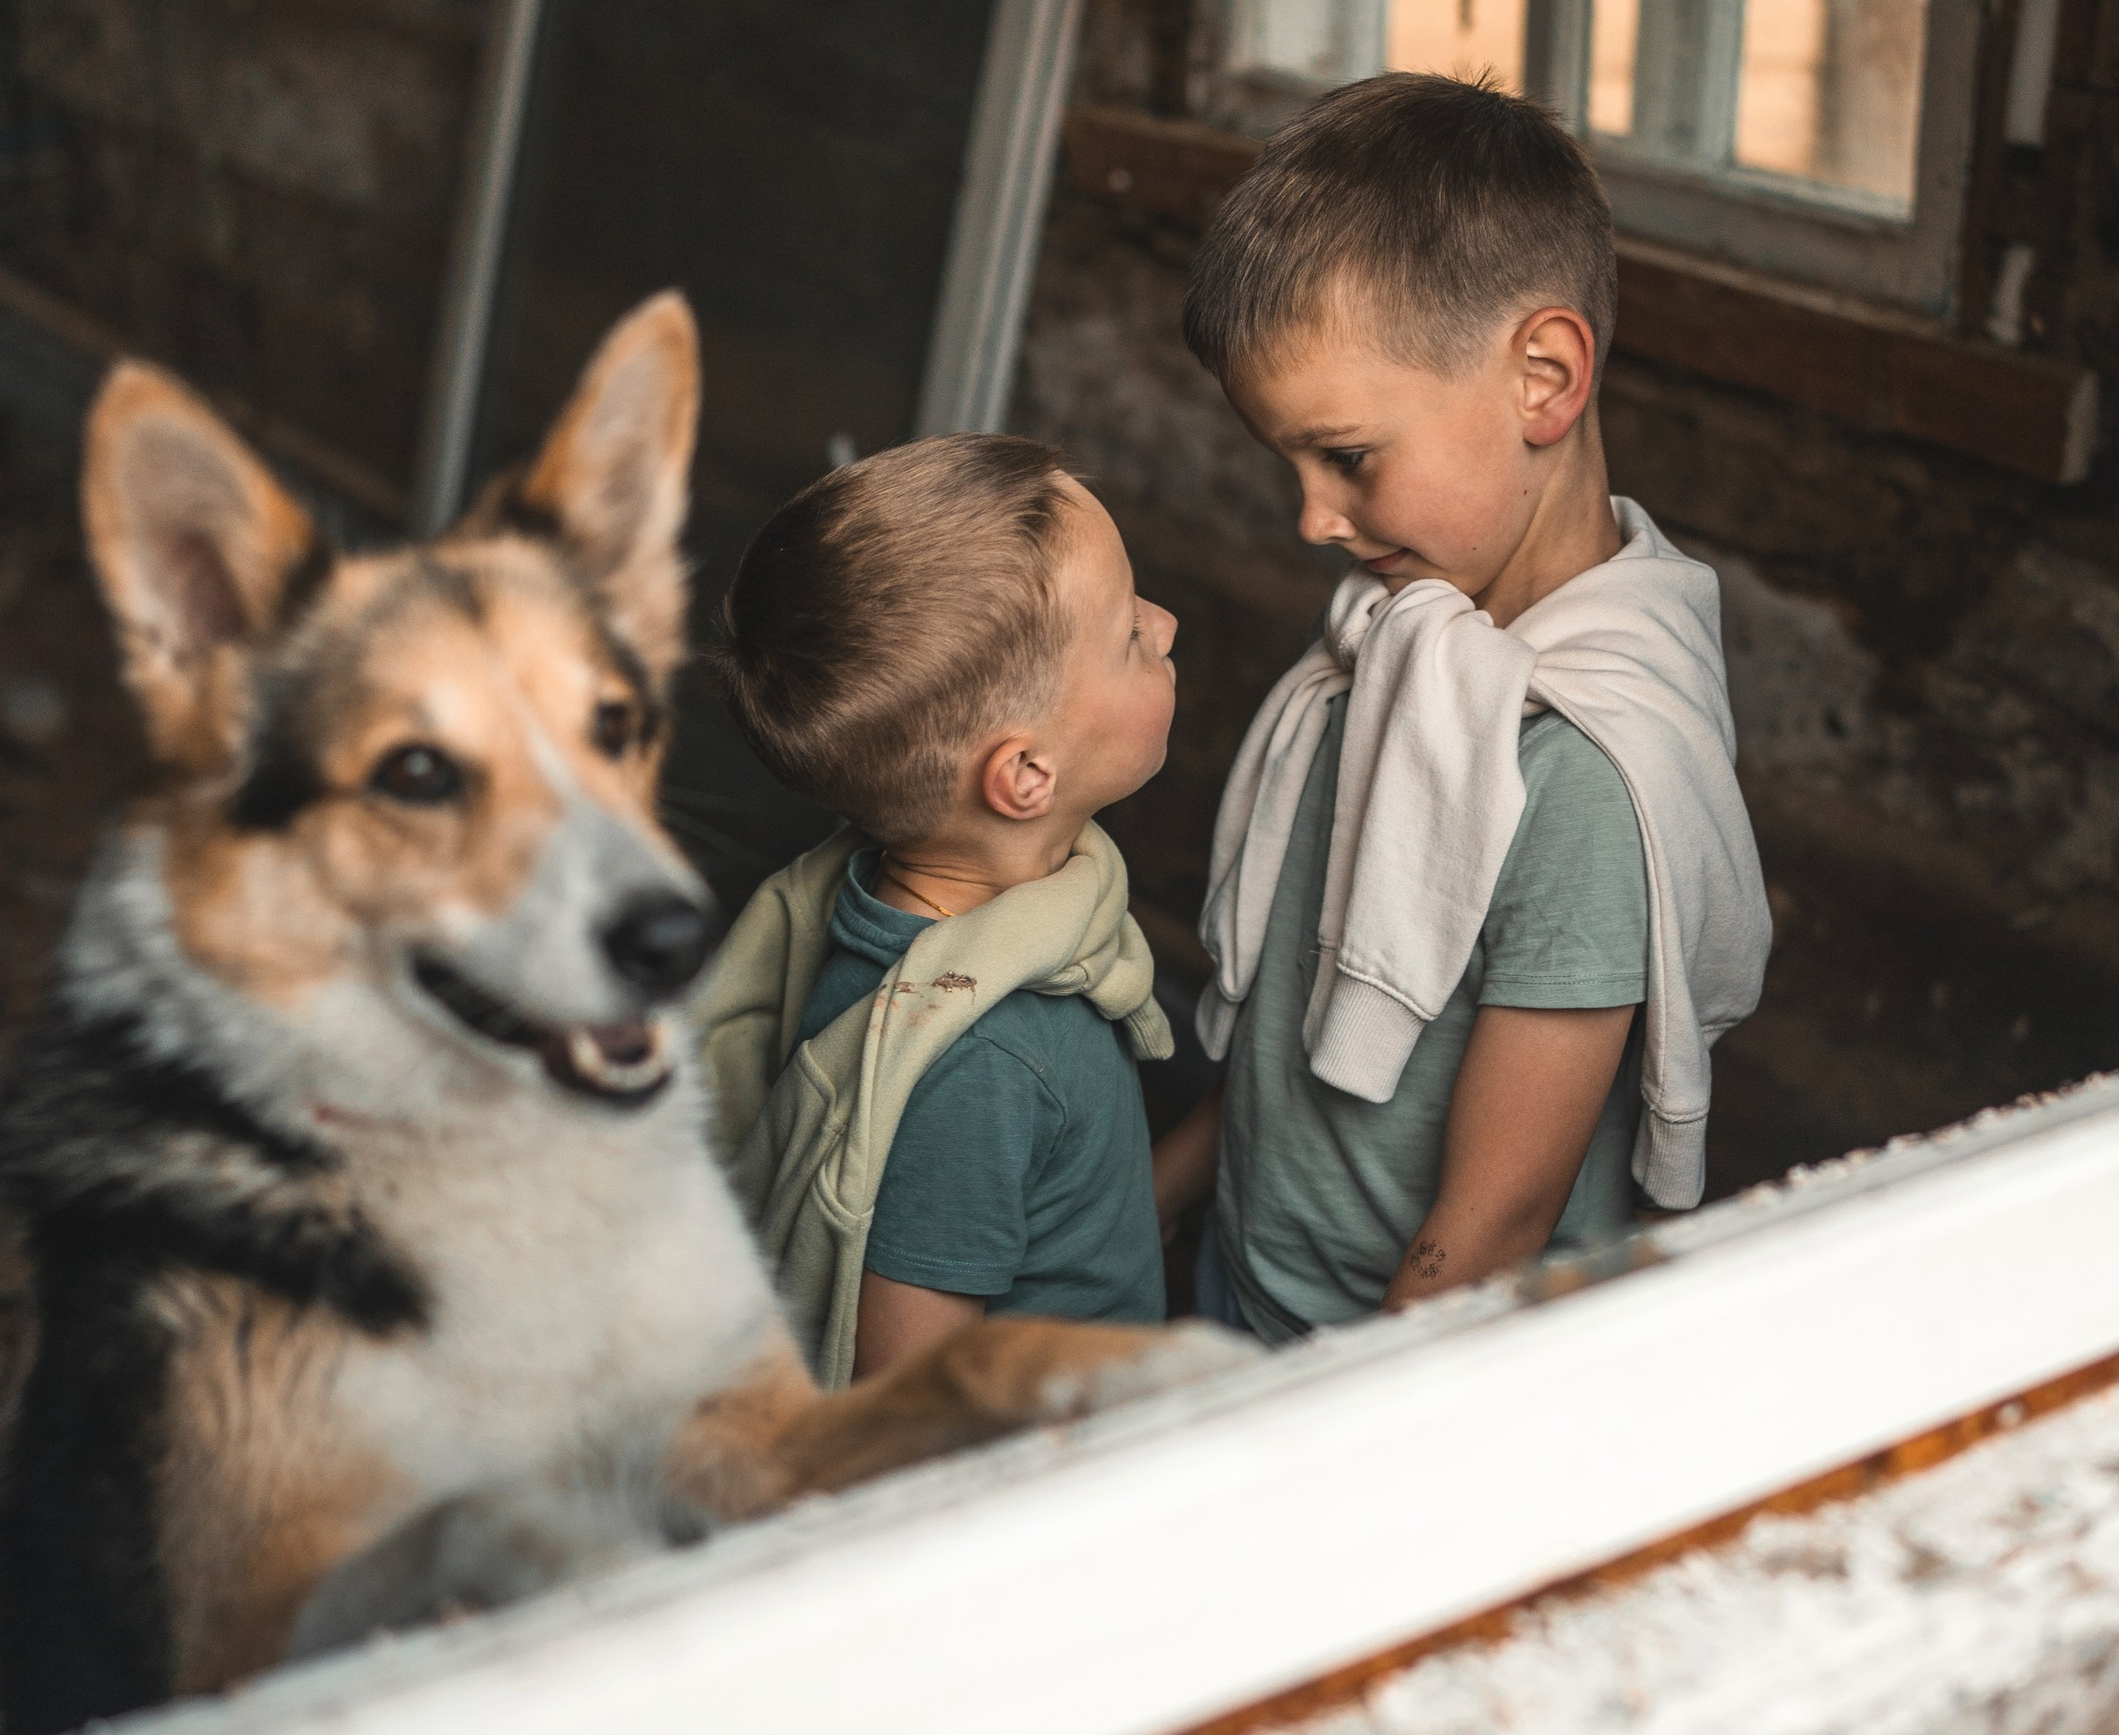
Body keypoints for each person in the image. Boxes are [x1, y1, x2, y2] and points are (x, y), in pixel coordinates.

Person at [1151, 72, 1769, 1343]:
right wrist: (1129, 1232)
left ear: (1543, 378)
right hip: (1239, 1296)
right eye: (1292, 466)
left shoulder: (1586, 775)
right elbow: (1286, 1045)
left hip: (1375, 1366)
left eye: (1349, 458)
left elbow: (1488, 1230)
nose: (1312, 518)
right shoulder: (1400, 655)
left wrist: (1323, 1430)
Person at [695, 437, 1179, 1385]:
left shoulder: (881, 908)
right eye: (1128, 634)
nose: (1165, 625)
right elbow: (913, 1398)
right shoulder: (990, 1062)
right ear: (1026, 776)